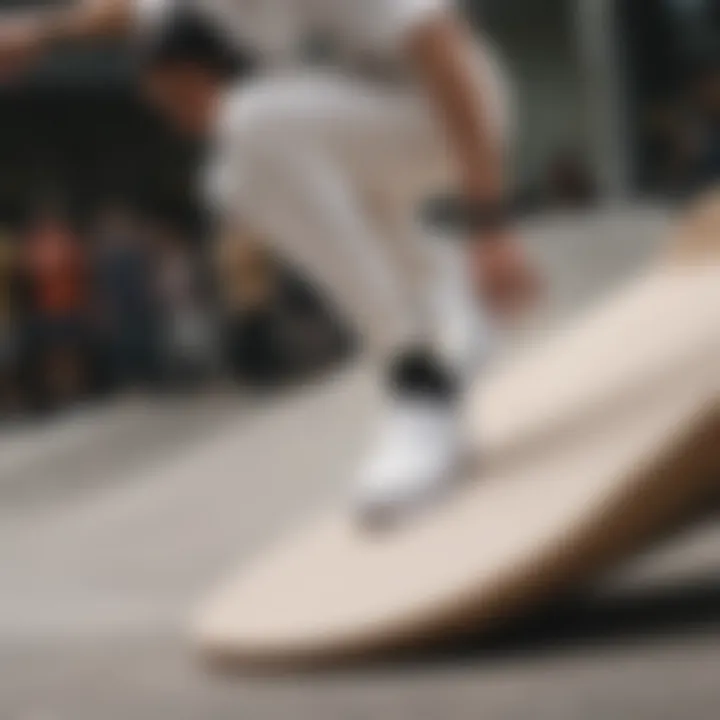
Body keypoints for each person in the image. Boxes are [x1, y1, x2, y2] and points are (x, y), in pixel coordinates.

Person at [0, 1, 539, 522]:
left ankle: (419, 386)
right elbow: (123, 12)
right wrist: (37, 34)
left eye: (176, 101)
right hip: (375, 133)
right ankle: (437, 284)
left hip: (457, 115)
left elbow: (444, 56)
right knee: (231, 180)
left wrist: (489, 230)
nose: (180, 117)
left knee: (253, 124)